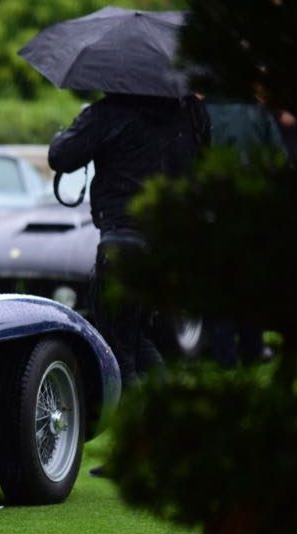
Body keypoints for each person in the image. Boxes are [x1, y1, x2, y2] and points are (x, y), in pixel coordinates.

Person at [48, 93, 210, 386]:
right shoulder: (190, 113)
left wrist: (66, 132)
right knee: (138, 337)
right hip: (168, 243)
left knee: (119, 349)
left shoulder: (109, 112)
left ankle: (142, 418)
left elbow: (60, 155)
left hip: (123, 241)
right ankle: (162, 406)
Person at [204, 99, 285, 368]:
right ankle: (252, 350)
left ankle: (223, 354)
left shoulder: (203, 114)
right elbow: (279, 161)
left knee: (219, 286)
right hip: (252, 210)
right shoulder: (258, 114)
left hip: (214, 212)